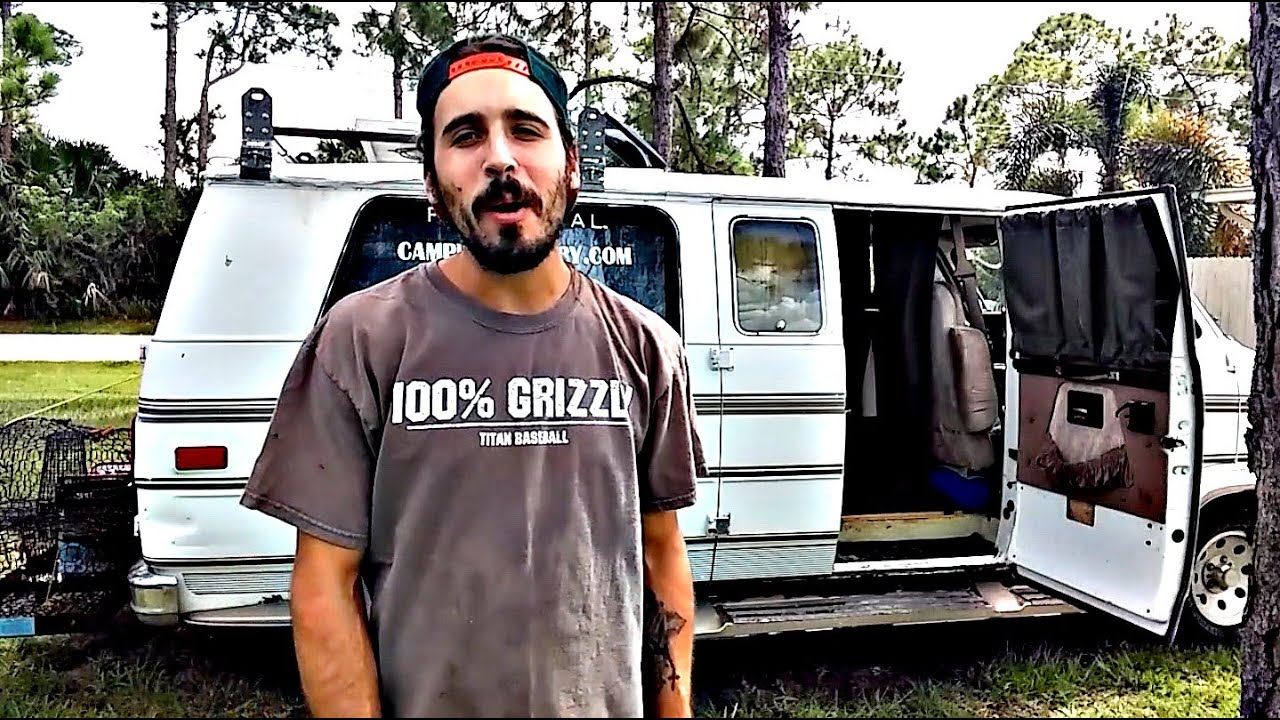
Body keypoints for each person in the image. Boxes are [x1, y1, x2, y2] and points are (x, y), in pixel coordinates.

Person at [239, 33, 705, 719]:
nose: (500, 158)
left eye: (526, 130)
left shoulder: (645, 347)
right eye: (465, 136)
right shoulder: (361, 340)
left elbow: (662, 556)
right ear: (431, 183)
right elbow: (324, 584)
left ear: (572, 165)